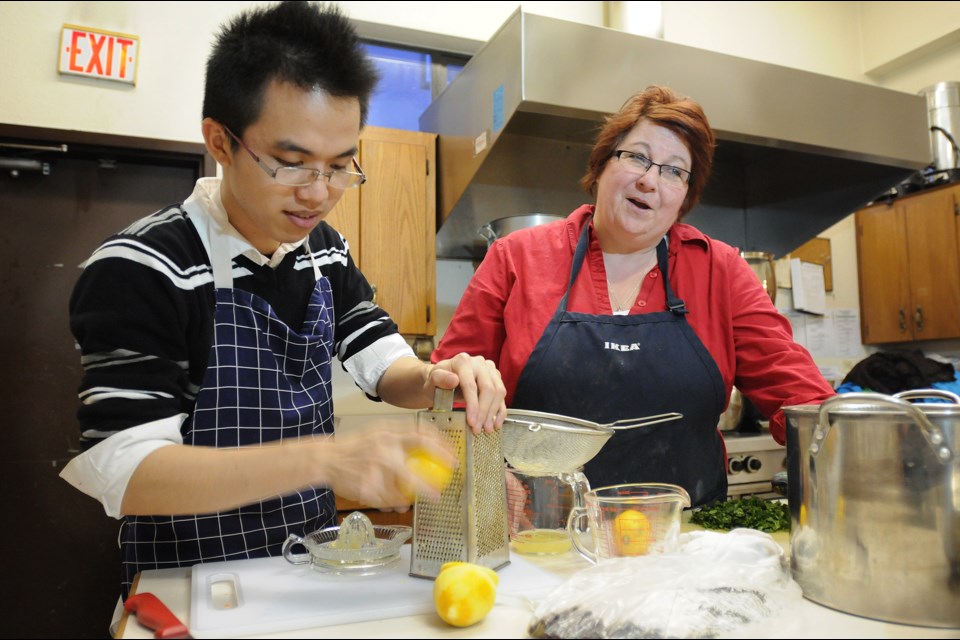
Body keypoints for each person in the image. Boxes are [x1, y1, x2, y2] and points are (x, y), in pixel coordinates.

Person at [60, 0, 506, 601]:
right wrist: (325, 458)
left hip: (307, 575)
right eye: (292, 164)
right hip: (189, 588)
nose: (318, 193)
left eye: (340, 166)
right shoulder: (143, 268)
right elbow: (126, 471)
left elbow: (378, 355)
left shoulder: (322, 250)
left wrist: (440, 378)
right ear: (220, 140)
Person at [432, 85, 835, 508]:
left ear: (684, 197)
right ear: (603, 164)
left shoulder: (720, 270)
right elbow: (449, 394)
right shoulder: (517, 259)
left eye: (674, 171)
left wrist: (855, 452)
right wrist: (486, 470)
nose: (650, 180)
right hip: (539, 541)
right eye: (638, 157)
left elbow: (803, 401)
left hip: (683, 541)